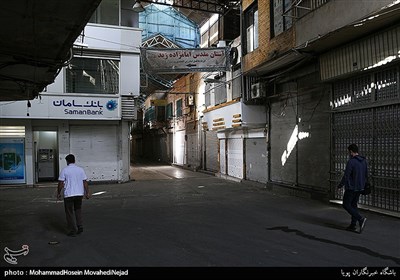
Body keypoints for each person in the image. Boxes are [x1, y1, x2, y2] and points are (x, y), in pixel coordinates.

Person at [337, 144, 368, 233]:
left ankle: (360, 219)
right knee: (354, 206)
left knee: (346, 205)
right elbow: (366, 175)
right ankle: (353, 225)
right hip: (360, 187)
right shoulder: (364, 161)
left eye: (348, 152)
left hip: (351, 188)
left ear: (351, 151)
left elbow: (346, 176)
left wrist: (340, 185)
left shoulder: (351, 162)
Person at [57, 154, 90, 237]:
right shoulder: (80, 170)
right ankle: (80, 226)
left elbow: (61, 183)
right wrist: (87, 192)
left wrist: (58, 193)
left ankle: (72, 230)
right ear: (74, 160)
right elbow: (85, 182)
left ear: (67, 161)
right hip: (79, 194)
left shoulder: (65, 170)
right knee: (78, 210)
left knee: (69, 212)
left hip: (69, 194)